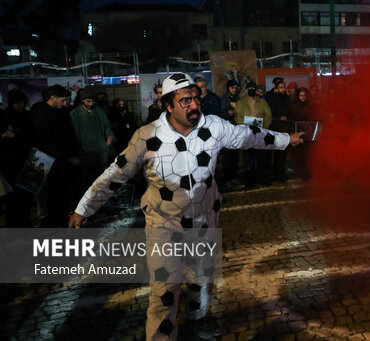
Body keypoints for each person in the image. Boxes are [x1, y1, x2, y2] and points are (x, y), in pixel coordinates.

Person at [68, 73, 303, 341]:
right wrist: (83, 208)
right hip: (163, 227)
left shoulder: (214, 127)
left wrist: (286, 139)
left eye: (196, 99)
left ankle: (198, 319)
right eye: (185, 101)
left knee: (202, 281)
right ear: (168, 105)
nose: (194, 105)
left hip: (205, 222)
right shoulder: (147, 136)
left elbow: (250, 136)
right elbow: (115, 174)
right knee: (165, 291)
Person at [31, 85, 81, 227]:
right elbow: (47, 140)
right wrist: (67, 157)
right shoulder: (41, 114)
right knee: (50, 193)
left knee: (60, 191)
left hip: (60, 160)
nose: (65, 104)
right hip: (46, 159)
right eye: (63, 100)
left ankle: (60, 218)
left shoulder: (59, 112)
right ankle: (51, 221)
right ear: (52, 98)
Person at [70, 87, 115, 193]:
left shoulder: (99, 111)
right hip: (85, 152)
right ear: (82, 101)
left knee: (102, 180)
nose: (91, 104)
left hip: (101, 151)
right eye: (88, 101)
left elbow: (107, 127)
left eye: (93, 101)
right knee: (86, 182)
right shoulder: (75, 114)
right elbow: (74, 136)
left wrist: (109, 136)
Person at [0, 89, 35, 226]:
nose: (21, 106)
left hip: (27, 161)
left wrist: (16, 137)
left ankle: (23, 224)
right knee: (14, 199)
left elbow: (32, 137)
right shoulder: (5, 117)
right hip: (10, 163)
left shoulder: (27, 117)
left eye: (22, 103)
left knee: (25, 198)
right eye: (17, 103)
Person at [234, 82, 274, 188]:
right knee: (248, 160)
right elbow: (237, 118)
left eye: (253, 88)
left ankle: (261, 179)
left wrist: (263, 129)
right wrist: (246, 127)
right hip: (247, 134)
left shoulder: (263, 103)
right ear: (246, 90)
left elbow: (268, 116)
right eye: (249, 88)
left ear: (256, 91)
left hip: (260, 134)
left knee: (261, 159)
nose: (251, 90)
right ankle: (249, 182)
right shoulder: (240, 103)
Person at [266, 78, 292, 182]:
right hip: (276, 128)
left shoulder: (285, 97)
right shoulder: (271, 98)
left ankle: (281, 173)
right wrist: (278, 117)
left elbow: (289, 110)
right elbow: (270, 113)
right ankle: (277, 174)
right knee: (278, 153)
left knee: (283, 152)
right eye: (281, 87)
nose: (283, 89)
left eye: (283, 87)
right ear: (276, 88)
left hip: (284, 128)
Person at [219, 80, 240, 188]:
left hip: (236, 131)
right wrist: (228, 113)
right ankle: (227, 178)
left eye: (236, 88)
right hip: (226, 132)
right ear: (228, 88)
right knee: (227, 156)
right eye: (232, 88)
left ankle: (233, 177)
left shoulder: (239, 99)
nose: (234, 90)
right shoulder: (223, 100)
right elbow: (219, 115)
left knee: (235, 156)